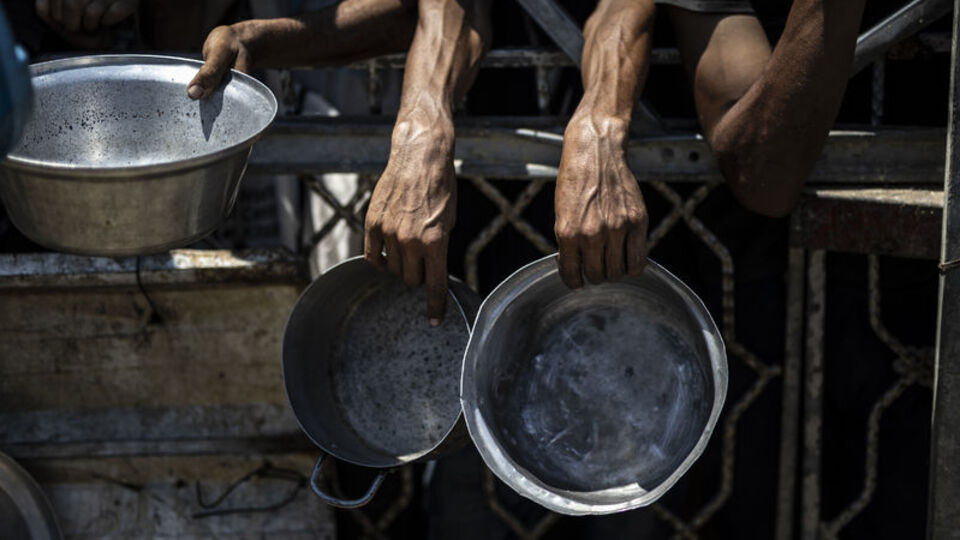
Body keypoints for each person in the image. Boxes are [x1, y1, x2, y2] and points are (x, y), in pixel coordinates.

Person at [187, 0, 866, 325]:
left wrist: (600, 124)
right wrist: (420, 130)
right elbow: (445, 9)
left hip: (663, 254)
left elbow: (622, 11)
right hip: (489, 238)